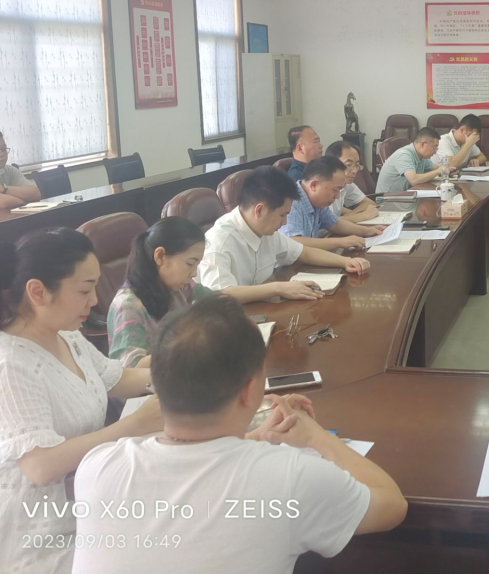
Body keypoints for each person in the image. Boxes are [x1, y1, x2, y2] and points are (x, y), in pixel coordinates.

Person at [72, 294, 408, 574]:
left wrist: (256, 437)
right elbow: (392, 506)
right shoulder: (290, 477)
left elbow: (193, 472)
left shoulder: (98, 467)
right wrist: (318, 437)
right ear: (250, 391)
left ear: (157, 384)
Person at [0, 228, 161, 573]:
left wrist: (185, 373)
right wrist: (136, 423)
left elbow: (117, 378)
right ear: (38, 292)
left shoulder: (67, 335)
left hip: (88, 493)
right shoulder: (10, 364)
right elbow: (40, 466)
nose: (95, 301)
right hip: (39, 528)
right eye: (85, 290)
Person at [198, 166, 370, 303]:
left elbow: (303, 252)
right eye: (282, 215)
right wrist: (279, 288)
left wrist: (346, 262)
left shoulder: (264, 230)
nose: (285, 222)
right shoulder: (219, 241)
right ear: (259, 210)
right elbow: (221, 295)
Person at [107, 217, 215, 369]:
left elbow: (215, 300)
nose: (194, 273)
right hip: (153, 382)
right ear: (160, 256)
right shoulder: (127, 306)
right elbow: (131, 367)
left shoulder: (178, 286)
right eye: (190, 263)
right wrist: (188, 347)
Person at [281, 157, 385, 251]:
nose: (337, 196)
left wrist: (367, 231)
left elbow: (334, 224)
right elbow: (293, 242)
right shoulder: (291, 202)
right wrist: (340, 242)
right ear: (314, 185)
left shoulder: (317, 201)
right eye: (335, 190)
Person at [376, 128, 444, 194]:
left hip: (405, 195)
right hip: (388, 198)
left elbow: (437, 168)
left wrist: (445, 170)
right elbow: (414, 180)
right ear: (423, 144)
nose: (435, 152)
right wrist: (437, 171)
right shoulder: (404, 155)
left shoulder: (422, 156)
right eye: (434, 147)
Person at [324, 141, 378, 222]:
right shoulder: (323, 188)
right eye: (348, 165)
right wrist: (360, 216)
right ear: (331, 164)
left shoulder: (346, 184)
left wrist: (351, 215)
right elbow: (326, 223)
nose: (354, 171)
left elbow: (370, 203)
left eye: (357, 165)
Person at [0, 131, 41, 210]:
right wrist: (24, 201)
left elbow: (35, 194)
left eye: (3, 149)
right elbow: (4, 203)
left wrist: (3, 188)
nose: (1, 154)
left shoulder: (9, 170)